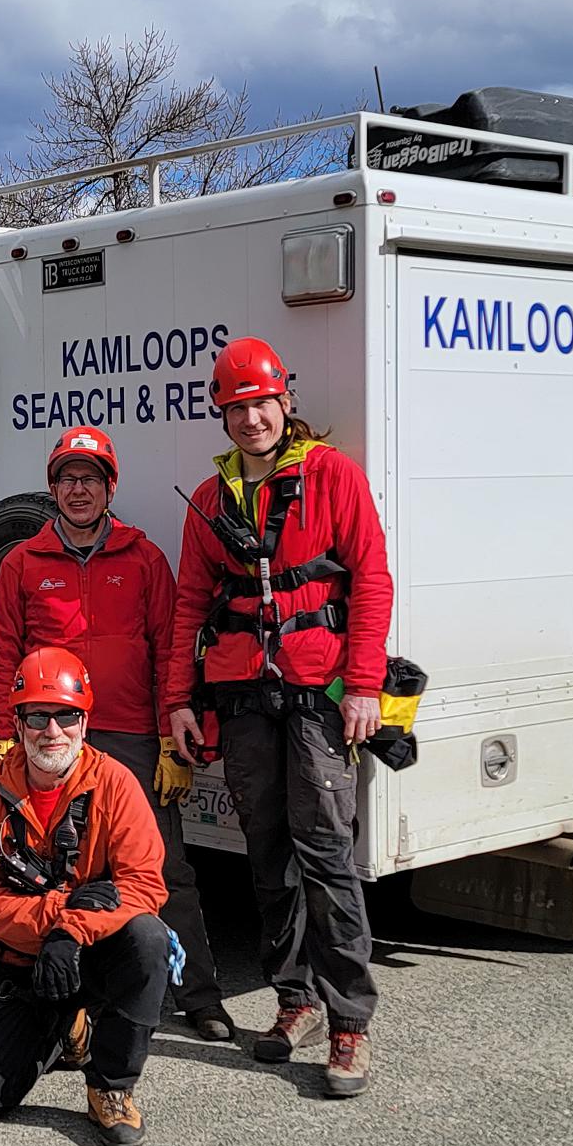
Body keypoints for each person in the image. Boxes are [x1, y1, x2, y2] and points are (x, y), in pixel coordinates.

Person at [165, 336, 394, 1099]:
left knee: (327, 854)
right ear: (222, 415)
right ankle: (293, 1001)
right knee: (267, 858)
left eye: (261, 403)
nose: (251, 418)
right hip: (243, 701)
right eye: (236, 408)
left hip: (321, 699)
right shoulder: (210, 498)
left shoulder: (332, 476)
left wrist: (364, 684)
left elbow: (372, 579)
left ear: (284, 403)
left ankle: (349, 1019)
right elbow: (189, 608)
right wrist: (179, 703)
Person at [0, 424, 235, 1041]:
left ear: (109, 487)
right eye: (67, 479)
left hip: (130, 734)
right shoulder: (22, 562)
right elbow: (0, 654)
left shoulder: (144, 559)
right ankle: (49, 994)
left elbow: (172, 647)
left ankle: (199, 996)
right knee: (42, 869)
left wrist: (174, 735)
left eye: (89, 479)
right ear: (52, 489)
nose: (77, 490)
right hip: (50, 737)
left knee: (163, 869)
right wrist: (0, 738)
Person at [0, 647, 170, 1146]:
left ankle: (110, 1086)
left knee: (148, 938)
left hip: (92, 952)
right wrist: (59, 916)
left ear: (85, 721)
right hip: (21, 962)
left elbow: (145, 885)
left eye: (66, 715)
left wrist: (73, 933)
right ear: (19, 723)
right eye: (38, 716)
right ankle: (65, 1027)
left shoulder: (115, 784)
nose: (53, 731)